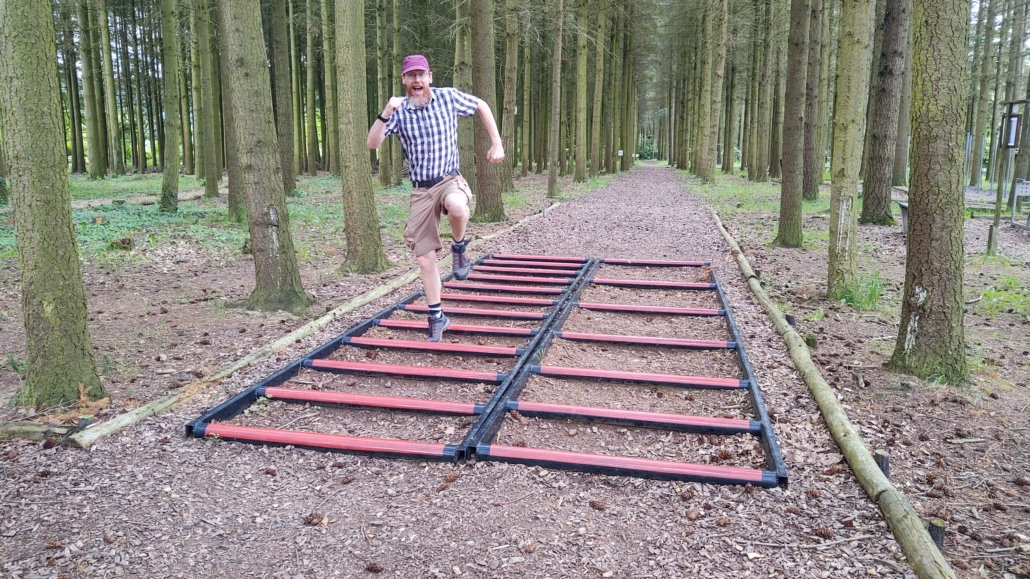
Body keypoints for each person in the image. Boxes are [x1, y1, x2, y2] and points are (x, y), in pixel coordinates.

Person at [367, 54, 504, 342]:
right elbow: (372, 143)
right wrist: (385, 112)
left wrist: (496, 142)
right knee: (425, 260)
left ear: (430, 77)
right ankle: (437, 316)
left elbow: (481, 104)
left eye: (421, 74)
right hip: (420, 189)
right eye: (411, 76)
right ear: (404, 80)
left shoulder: (448, 98)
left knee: (457, 206)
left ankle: (458, 248)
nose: (417, 80)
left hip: (449, 179)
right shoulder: (399, 112)